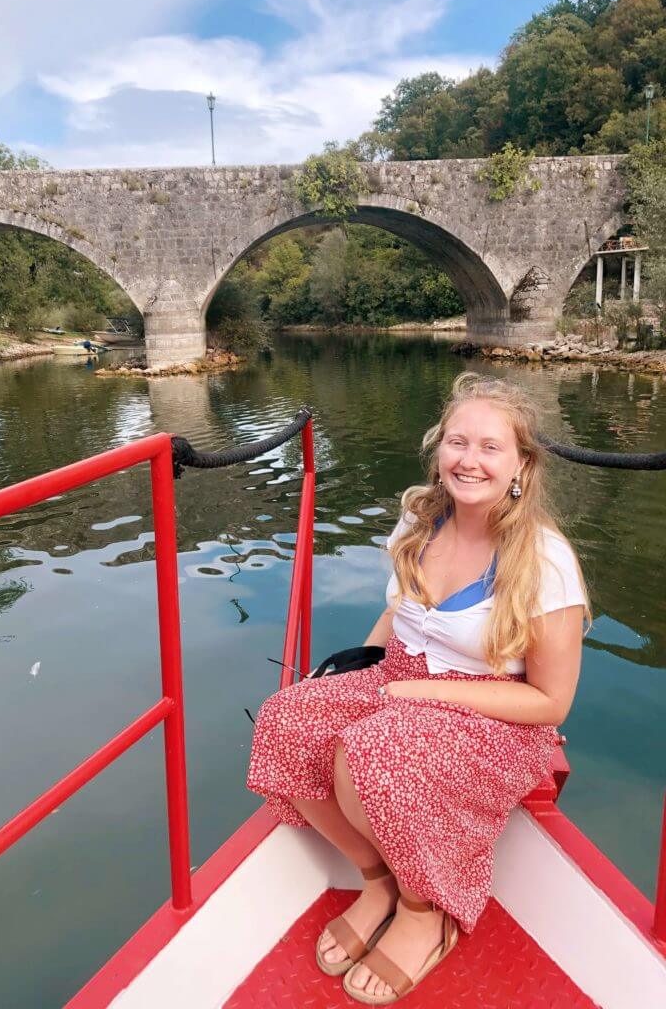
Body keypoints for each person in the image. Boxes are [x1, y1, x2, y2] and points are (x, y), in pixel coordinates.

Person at [246, 371, 590, 1005]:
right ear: (439, 451)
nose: (469, 460)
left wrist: (421, 695)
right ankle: (376, 879)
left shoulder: (543, 560)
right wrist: (369, 664)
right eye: (458, 442)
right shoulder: (418, 517)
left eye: (490, 447)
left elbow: (551, 702)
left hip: (496, 716)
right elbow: (403, 611)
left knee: (372, 754)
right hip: (398, 676)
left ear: (522, 464)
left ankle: (422, 909)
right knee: (284, 721)